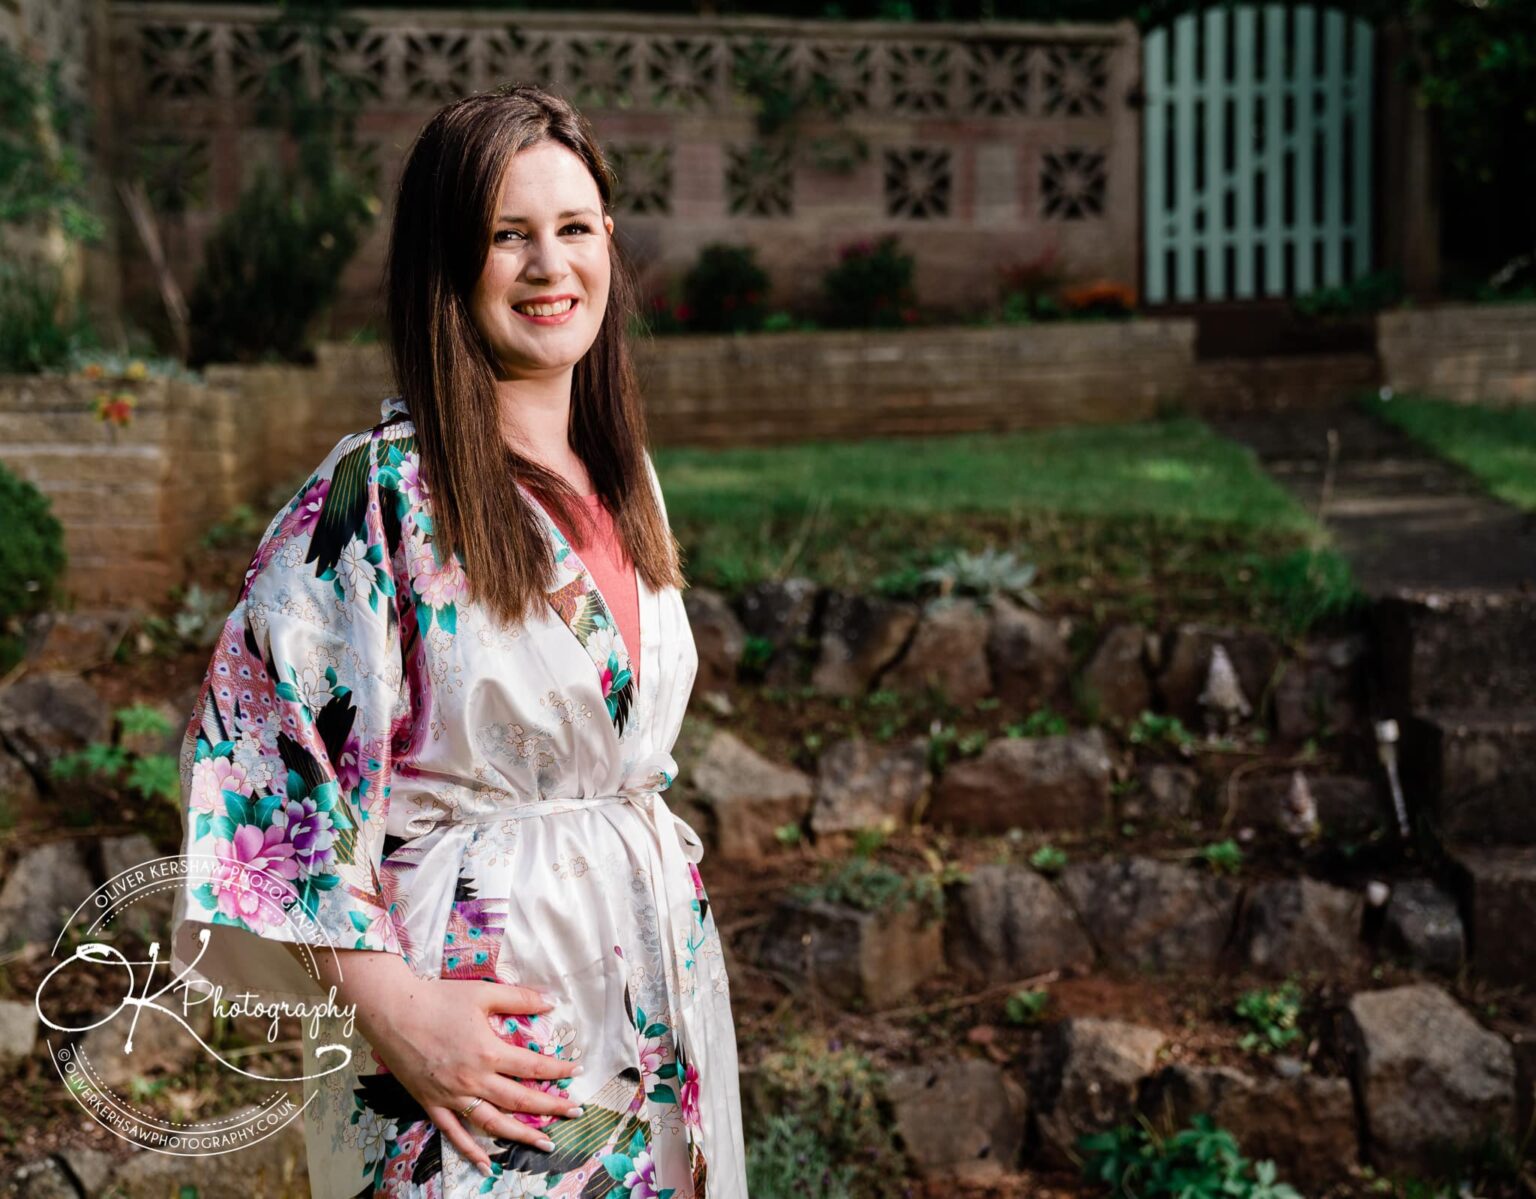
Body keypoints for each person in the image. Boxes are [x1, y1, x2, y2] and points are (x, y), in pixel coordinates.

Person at [168, 82, 747, 1198]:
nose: (549, 266)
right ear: (448, 262)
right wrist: (398, 1013)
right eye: (507, 236)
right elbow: (262, 770)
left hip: (646, 1001)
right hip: (471, 1038)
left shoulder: (625, 481)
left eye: (574, 229)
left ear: (611, 244)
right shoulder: (373, 495)